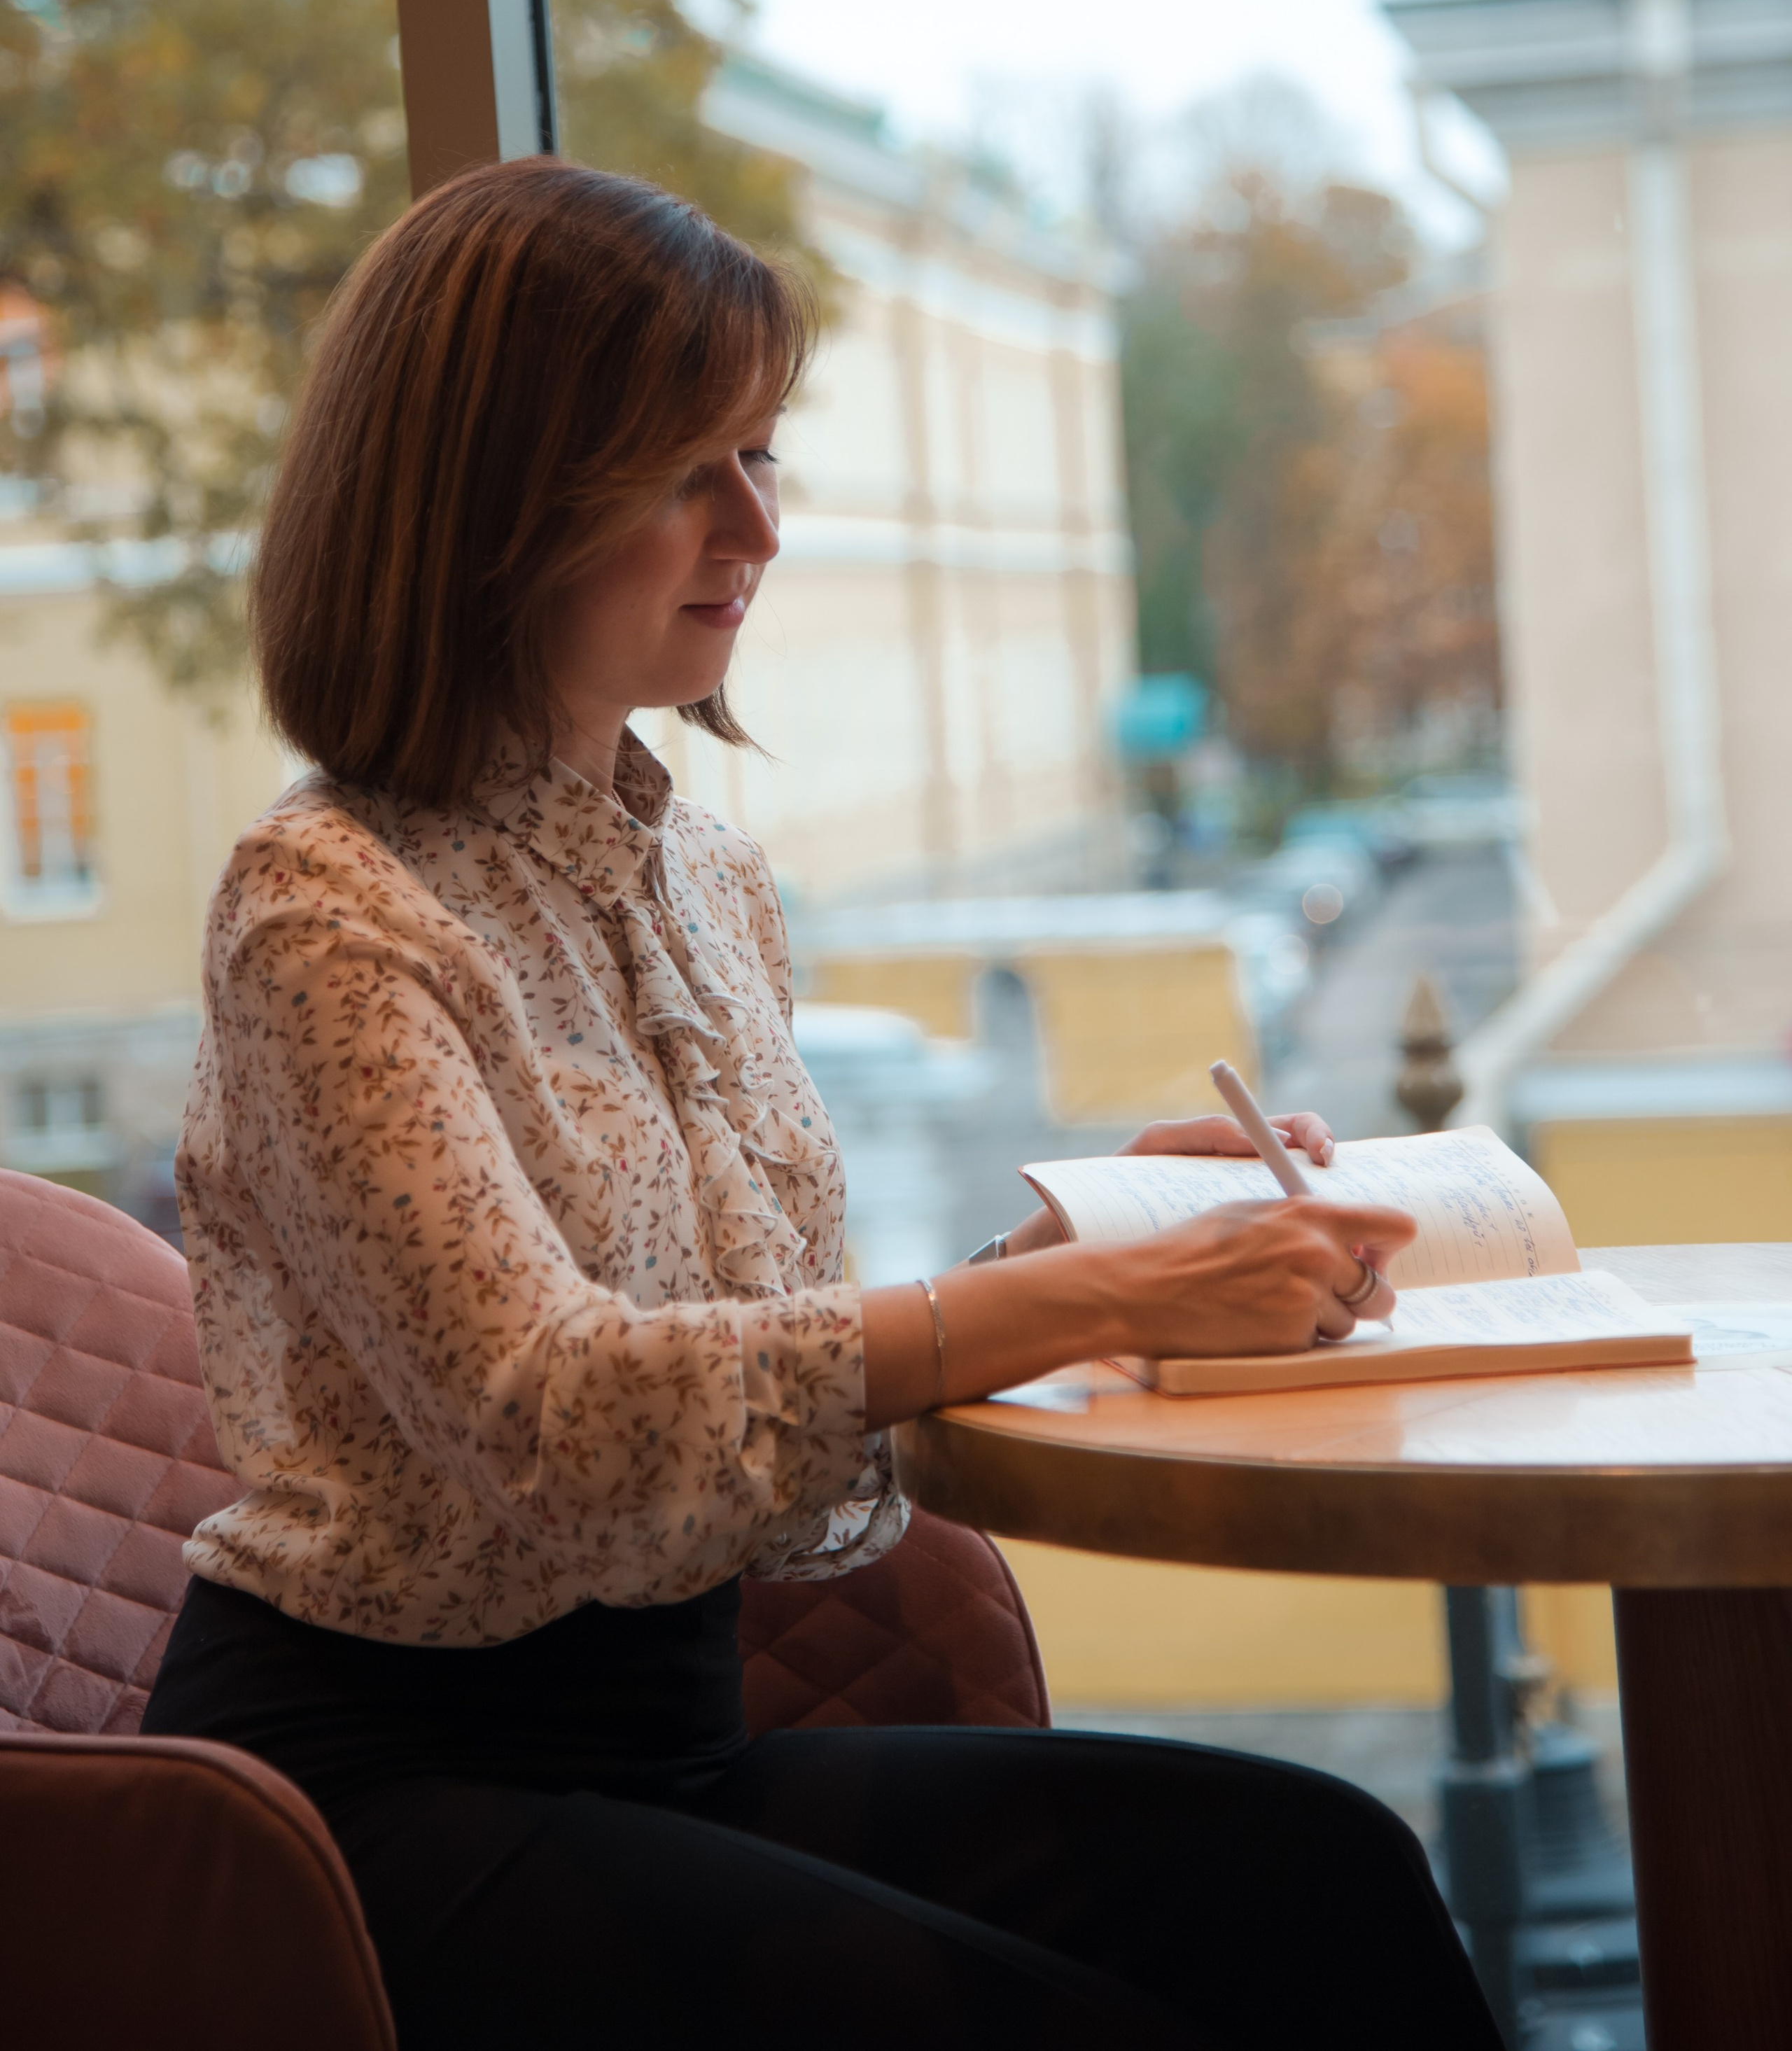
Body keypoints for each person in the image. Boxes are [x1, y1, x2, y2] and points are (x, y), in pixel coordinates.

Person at [144, 159, 1498, 2050]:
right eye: (680, 469)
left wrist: (1079, 1245)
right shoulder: (327, 909)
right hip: (376, 1807)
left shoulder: (709, 879)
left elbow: (750, 1351)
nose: (759, 526)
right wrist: (1102, 1299)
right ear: (488, 500)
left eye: (763, 453)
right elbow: (566, 1422)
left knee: (1328, 1873)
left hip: (672, 1754)